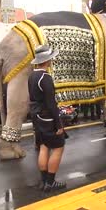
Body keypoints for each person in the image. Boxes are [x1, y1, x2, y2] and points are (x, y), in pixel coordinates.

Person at [28, 45, 67, 192]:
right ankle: (50, 182)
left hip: (37, 116)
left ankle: (44, 181)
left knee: (44, 146)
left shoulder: (32, 76)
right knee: (58, 147)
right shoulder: (45, 77)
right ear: (48, 60)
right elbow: (51, 104)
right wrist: (58, 124)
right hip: (47, 117)